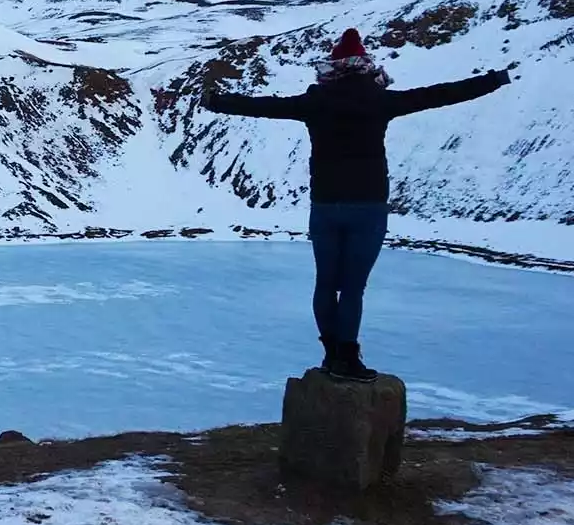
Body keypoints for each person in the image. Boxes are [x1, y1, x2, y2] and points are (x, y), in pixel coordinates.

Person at [200, 28, 509, 381]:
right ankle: (348, 356)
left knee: (325, 283)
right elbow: (439, 95)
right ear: (366, 66)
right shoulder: (380, 100)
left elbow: (264, 107)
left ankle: (332, 354)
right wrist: (492, 81)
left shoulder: (314, 102)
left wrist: (217, 101)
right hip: (369, 205)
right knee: (352, 287)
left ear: (331, 67)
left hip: (326, 205)